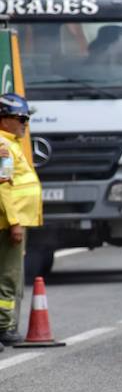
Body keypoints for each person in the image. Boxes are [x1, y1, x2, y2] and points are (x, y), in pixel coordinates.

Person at [0, 93, 43, 350]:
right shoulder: (3, 147)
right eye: (20, 118)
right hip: (7, 225)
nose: (24, 123)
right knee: (8, 277)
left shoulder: (10, 144)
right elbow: (3, 187)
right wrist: (15, 223)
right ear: (3, 120)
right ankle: (4, 327)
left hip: (9, 222)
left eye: (26, 119)